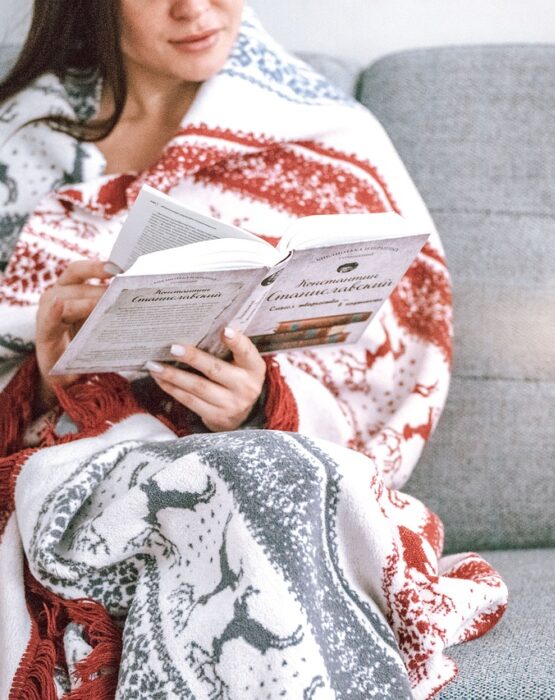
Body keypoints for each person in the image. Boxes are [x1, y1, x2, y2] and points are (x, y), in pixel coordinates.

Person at [0, 2, 507, 698]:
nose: (196, 9)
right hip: (72, 475)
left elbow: (390, 370)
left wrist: (263, 402)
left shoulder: (330, 136)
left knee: (261, 471)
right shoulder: (19, 141)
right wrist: (44, 376)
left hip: (270, 467)